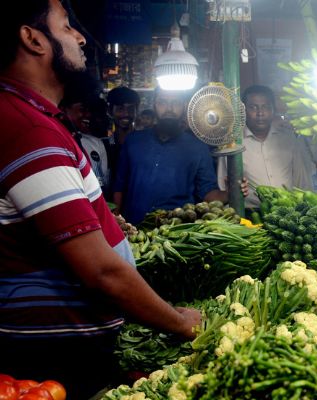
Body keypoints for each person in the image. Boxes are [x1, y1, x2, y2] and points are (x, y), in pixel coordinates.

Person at [0, 1, 200, 397]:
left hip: (62, 354)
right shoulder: (26, 129)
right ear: (32, 39)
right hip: (51, 365)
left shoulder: (34, 119)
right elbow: (100, 271)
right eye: (66, 26)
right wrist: (180, 322)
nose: (79, 37)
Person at [113, 87, 230, 225]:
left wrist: (231, 192)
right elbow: (119, 187)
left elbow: (208, 193)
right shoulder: (133, 141)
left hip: (175, 232)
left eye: (176, 103)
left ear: (185, 106)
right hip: (133, 227)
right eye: (162, 102)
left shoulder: (198, 147)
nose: (169, 108)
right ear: (154, 105)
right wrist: (115, 222)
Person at [220, 84, 312, 207]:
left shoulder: (288, 138)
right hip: (250, 215)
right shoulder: (233, 143)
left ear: (273, 109)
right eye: (253, 107)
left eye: (266, 107)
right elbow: (224, 187)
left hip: (289, 212)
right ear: (243, 110)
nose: (260, 113)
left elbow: (301, 181)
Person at [59, 72, 111, 194]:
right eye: (82, 109)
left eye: (89, 110)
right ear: (63, 109)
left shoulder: (96, 143)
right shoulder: (55, 143)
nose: (87, 115)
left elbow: (103, 183)